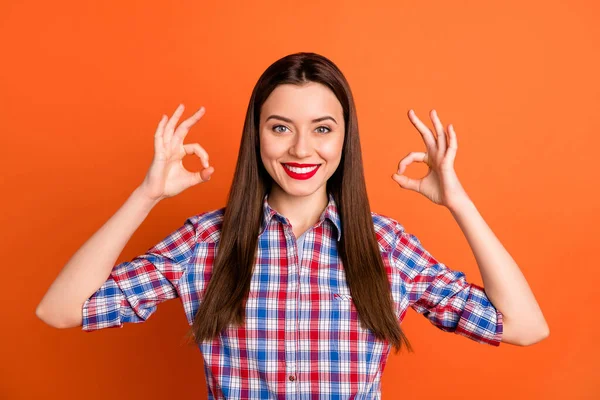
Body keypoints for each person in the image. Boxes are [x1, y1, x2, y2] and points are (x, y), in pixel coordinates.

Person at [36, 52, 549, 399]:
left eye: (322, 129)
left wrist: (458, 202)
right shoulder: (203, 243)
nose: (302, 149)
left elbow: (525, 327)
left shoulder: (387, 248)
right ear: (256, 135)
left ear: (345, 139)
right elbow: (60, 310)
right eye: (280, 127)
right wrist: (146, 194)